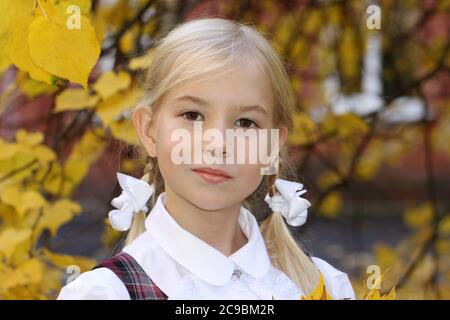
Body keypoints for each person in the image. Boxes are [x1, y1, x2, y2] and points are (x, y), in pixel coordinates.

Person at [58, 17, 356, 300]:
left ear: (271, 147)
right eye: (192, 115)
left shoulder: (323, 286)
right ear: (149, 131)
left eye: (245, 123)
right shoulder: (107, 293)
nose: (218, 144)